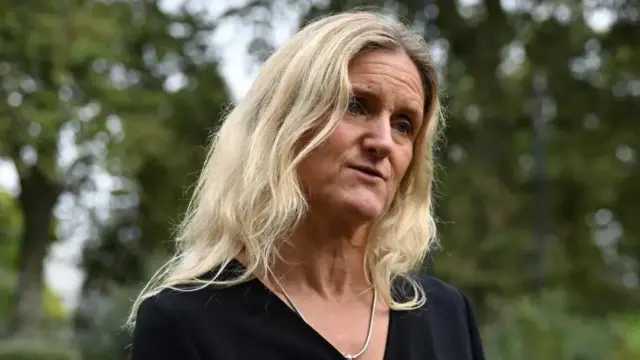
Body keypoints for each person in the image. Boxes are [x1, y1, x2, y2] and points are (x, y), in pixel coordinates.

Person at [126, 10, 485, 360]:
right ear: (284, 125)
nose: (383, 141)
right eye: (356, 106)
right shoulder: (188, 321)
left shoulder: (446, 317)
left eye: (403, 125)